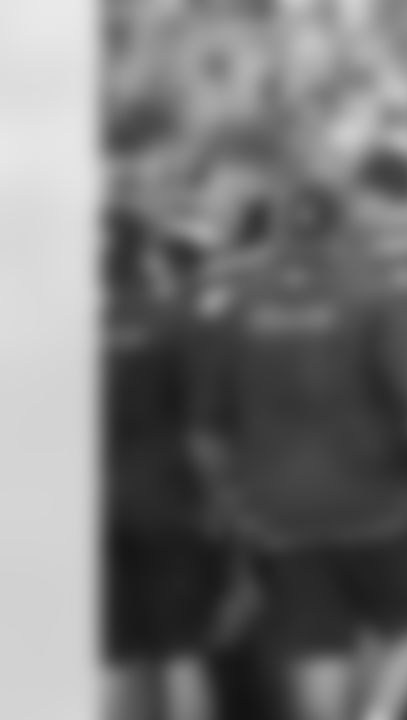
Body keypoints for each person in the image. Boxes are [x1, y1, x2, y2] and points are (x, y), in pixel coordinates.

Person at [188, 179, 407, 720]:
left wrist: (233, 501)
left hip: (280, 516)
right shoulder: (376, 293)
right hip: (379, 507)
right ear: (342, 225)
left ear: (275, 229)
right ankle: (381, 712)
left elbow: (206, 435)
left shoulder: (232, 301)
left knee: (318, 647)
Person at [103, 206, 230, 720]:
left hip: (89, 504)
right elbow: (203, 426)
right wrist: (222, 504)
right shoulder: (177, 320)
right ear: (145, 253)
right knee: (182, 648)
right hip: (168, 499)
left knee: (115, 655)